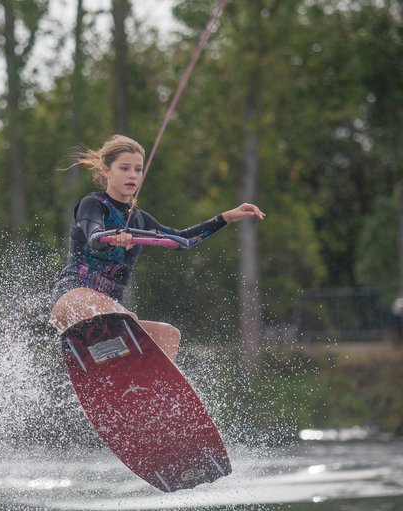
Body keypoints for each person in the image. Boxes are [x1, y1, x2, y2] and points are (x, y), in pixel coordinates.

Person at [50, 134, 265, 361]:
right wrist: (113, 237)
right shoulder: (93, 205)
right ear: (106, 170)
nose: (133, 175)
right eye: (124, 168)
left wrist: (225, 218)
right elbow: (94, 236)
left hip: (110, 316)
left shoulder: (140, 221)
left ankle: (148, 393)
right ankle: (102, 360)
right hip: (73, 300)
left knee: (167, 335)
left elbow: (183, 241)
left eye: (138, 169)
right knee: (123, 322)